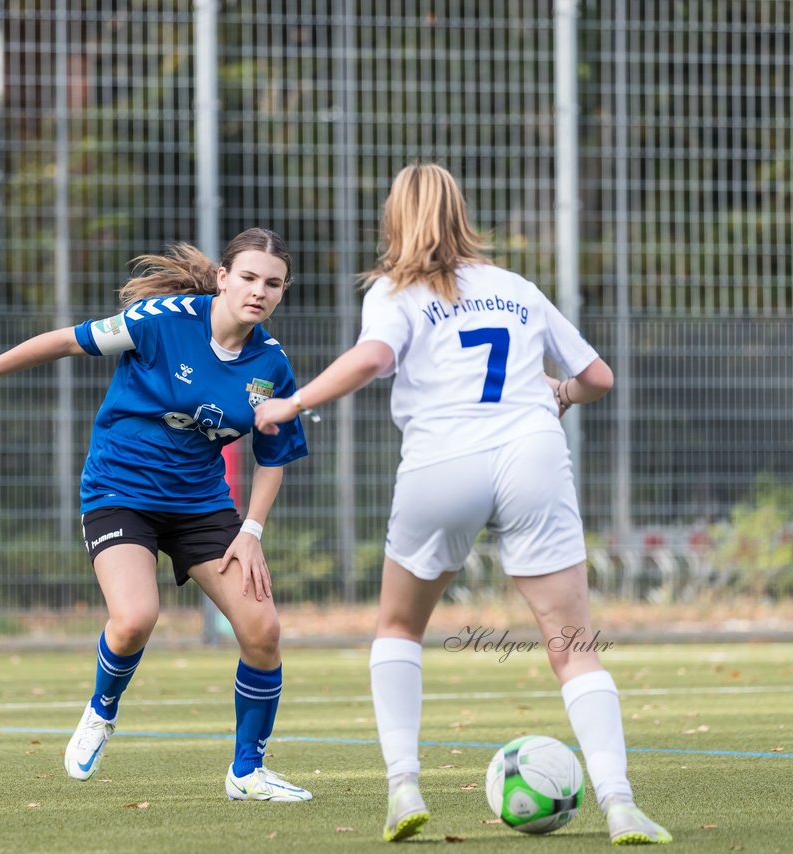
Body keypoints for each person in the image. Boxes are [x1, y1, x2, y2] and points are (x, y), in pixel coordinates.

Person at [254, 164, 672, 843]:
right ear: (462, 213)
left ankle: (402, 789)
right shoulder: (516, 288)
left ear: (395, 219)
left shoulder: (395, 291)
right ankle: (620, 804)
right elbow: (598, 377)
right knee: (572, 645)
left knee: (397, 628)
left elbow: (371, 359)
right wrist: (559, 396)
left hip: (441, 462)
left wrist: (294, 402)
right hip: (531, 452)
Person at [0, 228, 314, 802]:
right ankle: (101, 712)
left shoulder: (271, 365)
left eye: (272, 283)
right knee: (134, 619)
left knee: (263, 630)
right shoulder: (160, 319)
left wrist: (251, 532)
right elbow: (62, 342)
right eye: (248, 277)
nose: (259, 291)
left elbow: (274, 458)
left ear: (282, 293)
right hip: (120, 489)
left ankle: (247, 774)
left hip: (200, 505)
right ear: (224, 278)